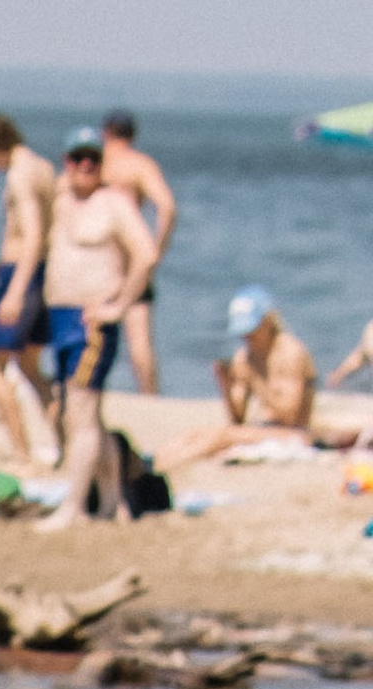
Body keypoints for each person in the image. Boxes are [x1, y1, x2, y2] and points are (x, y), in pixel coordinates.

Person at [41, 132, 155, 529]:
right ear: (66, 161)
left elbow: (146, 253)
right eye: (77, 159)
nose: (85, 167)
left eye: (92, 159)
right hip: (60, 317)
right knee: (81, 415)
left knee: (81, 410)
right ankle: (113, 502)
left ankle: (73, 506)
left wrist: (119, 305)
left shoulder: (114, 205)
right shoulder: (58, 200)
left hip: (92, 321)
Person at [0, 116, 58, 466]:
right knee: (31, 368)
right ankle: (65, 445)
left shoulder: (19, 175)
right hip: (42, 272)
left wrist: (14, 291)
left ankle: (21, 452)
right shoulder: (44, 167)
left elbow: (31, 234)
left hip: (22, 273)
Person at [168, 292, 343, 464]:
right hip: (264, 428)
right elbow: (237, 419)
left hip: (295, 434)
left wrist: (254, 379)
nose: (247, 337)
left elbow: (290, 415)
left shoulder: (290, 352)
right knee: (197, 434)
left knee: (223, 436)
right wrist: (225, 384)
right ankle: (155, 461)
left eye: (252, 330)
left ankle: (167, 466)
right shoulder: (245, 356)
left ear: (268, 321)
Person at [100, 115, 175, 395]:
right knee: (139, 339)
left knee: (88, 333)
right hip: (133, 257)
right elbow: (167, 208)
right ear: (132, 136)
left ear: (105, 133)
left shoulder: (94, 163)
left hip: (99, 255)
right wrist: (157, 249)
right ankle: (149, 397)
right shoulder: (140, 165)